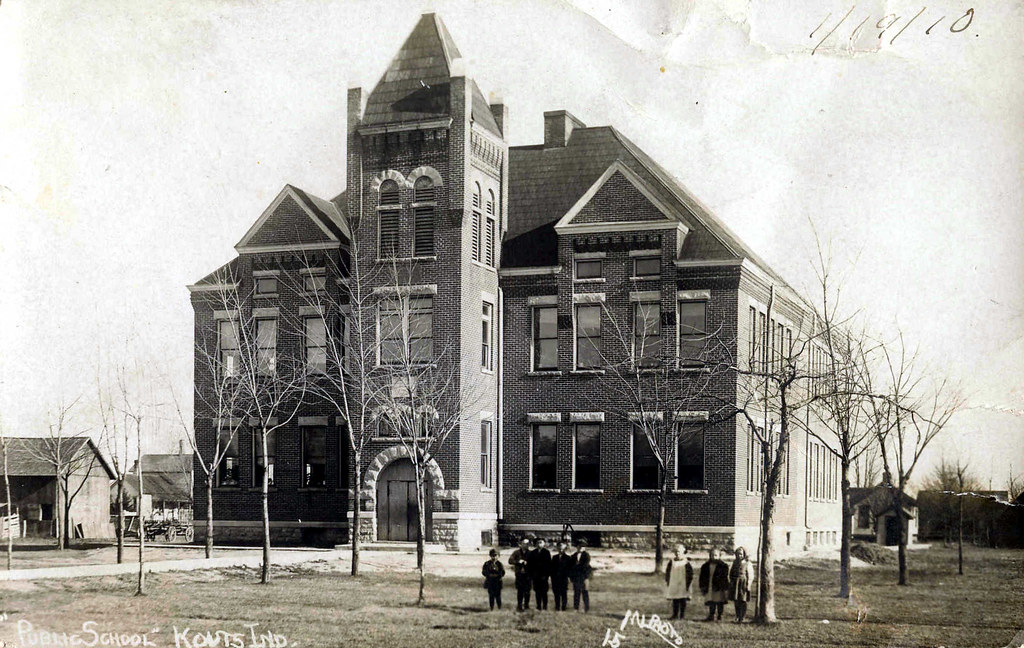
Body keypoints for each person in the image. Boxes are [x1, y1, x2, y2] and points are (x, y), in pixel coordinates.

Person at [698, 548, 729, 621]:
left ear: (719, 556)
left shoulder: (723, 566)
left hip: (719, 586)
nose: (713, 557)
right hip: (709, 585)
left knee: (719, 601)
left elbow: (724, 577)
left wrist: (724, 587)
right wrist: (702, 586)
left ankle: (720, 615)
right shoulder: (705, 566)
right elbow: (702, 577)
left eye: (715, 555)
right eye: (712, 555)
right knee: (711, 600)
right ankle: (711, 615)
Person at [664, 544, 694, 620]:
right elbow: (668, 572)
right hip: (674, 582)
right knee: (675, 599)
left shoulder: (686, 563)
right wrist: (668, 580)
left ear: (683, 552)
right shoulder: (672, 562)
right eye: (676, 552)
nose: (678, 553)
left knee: (682, 598)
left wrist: (688, 582)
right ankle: (675, 614)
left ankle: (682, 615)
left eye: (679, 552)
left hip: (683, 583)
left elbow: (690, 573)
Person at [729, 546, 754, 623]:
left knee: (743, 600)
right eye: (737, 554)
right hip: (735, 583)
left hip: (743, 583)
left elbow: (751, 575)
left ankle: (742, 616)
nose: (739, 556)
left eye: (741, 554)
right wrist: (731, 581)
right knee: (736, 600)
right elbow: (731, 573)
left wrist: (748, 585)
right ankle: (737, 616)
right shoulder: (734, 563)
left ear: (744, 555)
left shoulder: (747, 563)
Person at [509, 537, 533, 611]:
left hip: (528, 575)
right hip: (519, 575)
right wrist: (518, 561)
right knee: (520, 591)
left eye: (527, 544)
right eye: (524, 543)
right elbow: (510, 560)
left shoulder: (531, 553)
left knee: (527, 591)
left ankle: (526, 605)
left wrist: (528, 563)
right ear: (520, 544)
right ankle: (519, 605)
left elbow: (535, 563)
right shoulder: (516, 552)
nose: (526, 545)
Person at [528, 537, 552, 610]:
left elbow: (549, 565)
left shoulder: (546, 552)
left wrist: (546, 575)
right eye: (538, 542)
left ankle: (545, 606)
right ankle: (538, 606)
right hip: (536, 576)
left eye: (541, 542)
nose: (539, 544)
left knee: (544, 592)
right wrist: (532, 575)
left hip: (544, 576)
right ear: (535, 544)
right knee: (537, 592)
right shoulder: (533, 553)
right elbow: (530, 565)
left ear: (544, 544)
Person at [551, 540, 574, 611]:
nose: (561, 550)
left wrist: (568, 576)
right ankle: (557, 606)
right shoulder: (554, 557)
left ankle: (564, 607)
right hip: (555, 579)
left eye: (562, 548)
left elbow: (570, 569)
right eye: (559, 548)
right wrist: (553, 577)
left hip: (564, 578)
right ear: (557, 548)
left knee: (564, 593)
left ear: (565, 549)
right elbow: (552, 568)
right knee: (556, 593)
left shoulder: (568, 558)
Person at [570, 538, 592, 612]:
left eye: (582, 547)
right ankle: (576, 607)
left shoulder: (586, 555)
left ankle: (586, 608)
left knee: (585, 592)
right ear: (577, 547)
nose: (580, 548)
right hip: (576, 577)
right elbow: (571, 567)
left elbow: (585, 565)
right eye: (579, 546)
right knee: (576, 593)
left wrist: (577, 567)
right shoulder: (573, 556)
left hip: (584, 576)